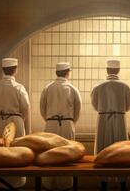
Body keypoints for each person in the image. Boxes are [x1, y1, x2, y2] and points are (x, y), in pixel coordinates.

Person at [91, 59, 130, 191]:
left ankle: (103, 183)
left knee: (102, 149)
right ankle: (122, 184)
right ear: (118, 70)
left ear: (107, 70)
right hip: (120, 119)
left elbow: (94, 104)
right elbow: (129, 105)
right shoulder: (125, 86)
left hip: (103, 119)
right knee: (121, 151)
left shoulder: (98, 86)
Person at [0, 57, 31, 189]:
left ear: (3, 70)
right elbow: (26, 108)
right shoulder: (19, 87)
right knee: (15, 154)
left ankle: (1, 183)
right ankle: (16, 185)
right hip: (16, 122)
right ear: (15, 70)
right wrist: (19, 119)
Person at [40, 62, 82, 190]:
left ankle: (49, 185)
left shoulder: (47, 88)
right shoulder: (73, 88)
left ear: (56, 72)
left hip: (50, 124)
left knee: (49, 154)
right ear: (68, 72)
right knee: (67, 155)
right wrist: (71, 122)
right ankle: (65, 185)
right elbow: (78, 109)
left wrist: (49, 120)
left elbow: (42, 109)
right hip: (67, 124)